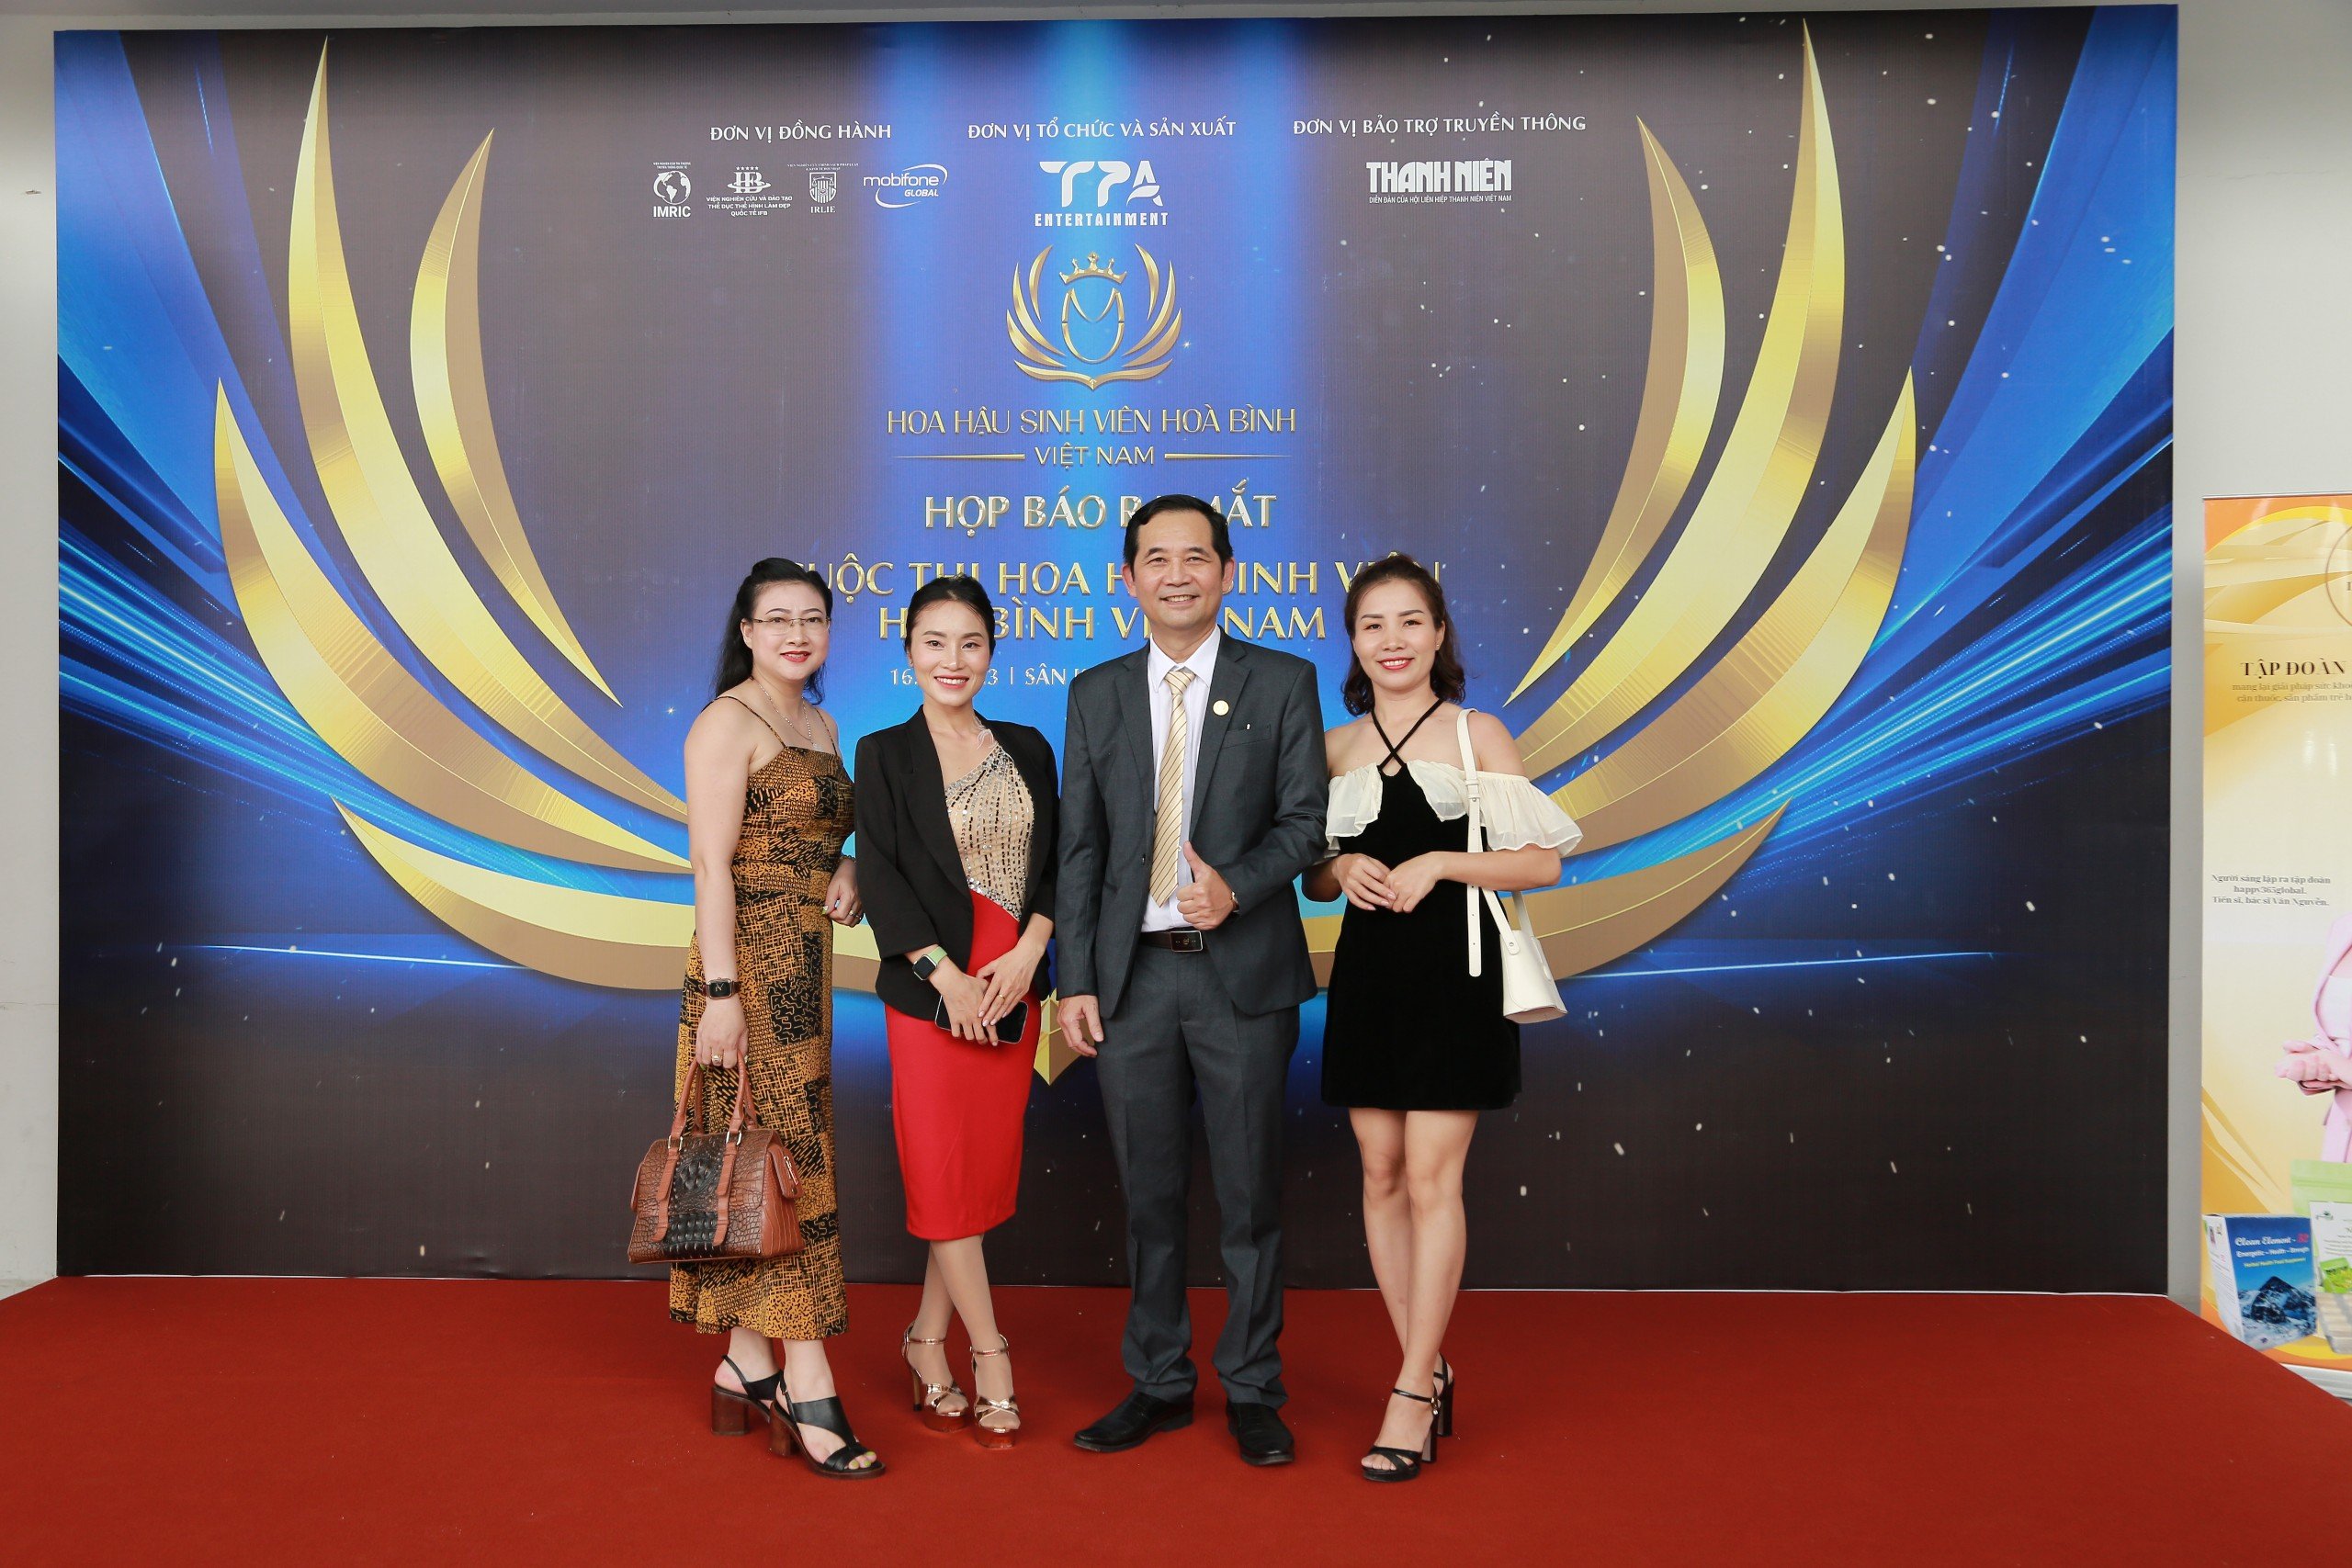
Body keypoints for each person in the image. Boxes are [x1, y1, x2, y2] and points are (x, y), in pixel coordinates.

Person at [1057, 494, 1328, 1466]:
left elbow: (1305, 823)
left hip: (1239, 978)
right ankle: (1160, 1381)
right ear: (1127, 578)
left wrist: (1237, 887)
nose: (1177, 575)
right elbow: (1081, 847)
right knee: (1150, 1196)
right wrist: (1075, 979)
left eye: (1197, 557)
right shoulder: (1095, 691)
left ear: (1227, 571)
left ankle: (1252, 1387)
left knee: (1249, 1198)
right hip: (1131, 982)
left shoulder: (1283, 680)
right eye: (1157, 559)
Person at [1303, 554, 1580, 1483]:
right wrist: (1341, 869)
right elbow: (1311, 875)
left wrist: (1441, 863)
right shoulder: (1334, 747)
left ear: (1439, 634)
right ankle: (1425, 1367)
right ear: (1353, 642)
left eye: (1410, 621)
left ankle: (1410, 1393)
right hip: (1369, 978)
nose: (1392, 640)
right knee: (1379, 1173)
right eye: (1372, 624)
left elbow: (1542, 861)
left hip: (1457, 978)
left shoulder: (1475, 731)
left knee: (1430, 1177)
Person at [674, 558, 882, 1479]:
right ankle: (807, 1380)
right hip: (746, 969)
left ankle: (745, 1361)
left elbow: (824, 837)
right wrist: (722, 995)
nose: (798, 634)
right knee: (788, 1164)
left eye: (813, 619)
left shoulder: (822, 724)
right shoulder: (726, 721)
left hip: (806, 964)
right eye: (778, 619)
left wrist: (850, 867)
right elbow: (710, 865)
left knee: (774, 1160)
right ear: (748, 631)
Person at [854, 576, 1059, 1450]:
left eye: (970, 642)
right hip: (932, 995)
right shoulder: (883, 751)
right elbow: (881, 873)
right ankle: (991, 1353)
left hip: (1013, 988)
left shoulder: (1029, 746)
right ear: (909, 650)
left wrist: (1030, 952)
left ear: (992, 651)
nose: (953, 659)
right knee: (941, 1173)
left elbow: (1062, 860)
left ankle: (924, 1339)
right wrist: (947, 977)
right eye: (934, 641)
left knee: (971, 1178)